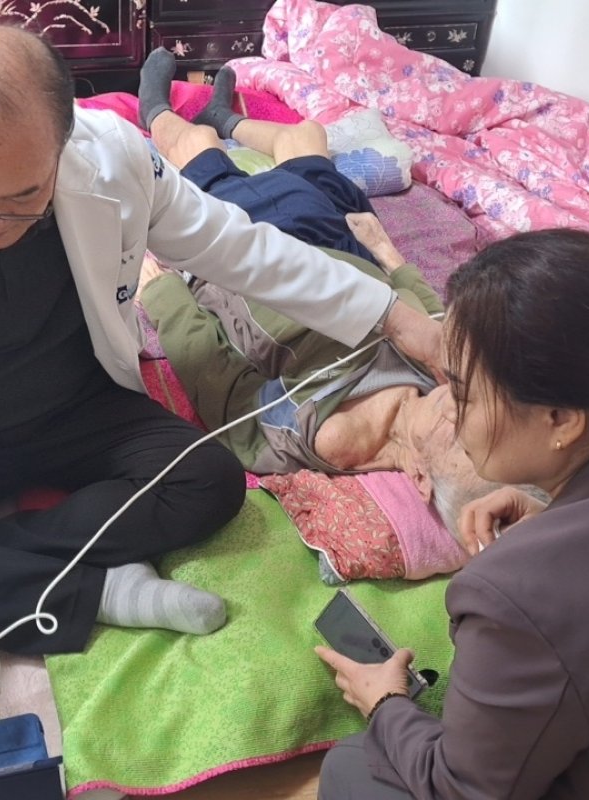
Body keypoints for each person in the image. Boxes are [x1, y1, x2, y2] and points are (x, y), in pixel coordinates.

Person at [0, 25, 441, 750]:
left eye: (23, 195)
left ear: (64, 141)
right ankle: (102, 589)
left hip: (79, 405)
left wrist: (394, 314)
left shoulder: (113, 158)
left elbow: (238, 248)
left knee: (210, 483)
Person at [138, 52, 489, 539]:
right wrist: (388, 253)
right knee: (306, 137)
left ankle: (153, 110)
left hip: (250, 257)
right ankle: (225, 117)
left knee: (196, 147)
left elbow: (221, 386)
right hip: (341, 246)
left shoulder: (330, 435)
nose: (462, 410)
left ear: (420, 477)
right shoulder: (451, 382)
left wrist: (164, 295)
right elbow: (430, 317)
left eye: (460, 444)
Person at [315, 228, 589, 798]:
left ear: (562, 420)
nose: (448, 410)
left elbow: (461, 786)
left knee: (353, 765)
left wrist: (386, 702)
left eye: (466, 393)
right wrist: (554, 514)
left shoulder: (511, 596)